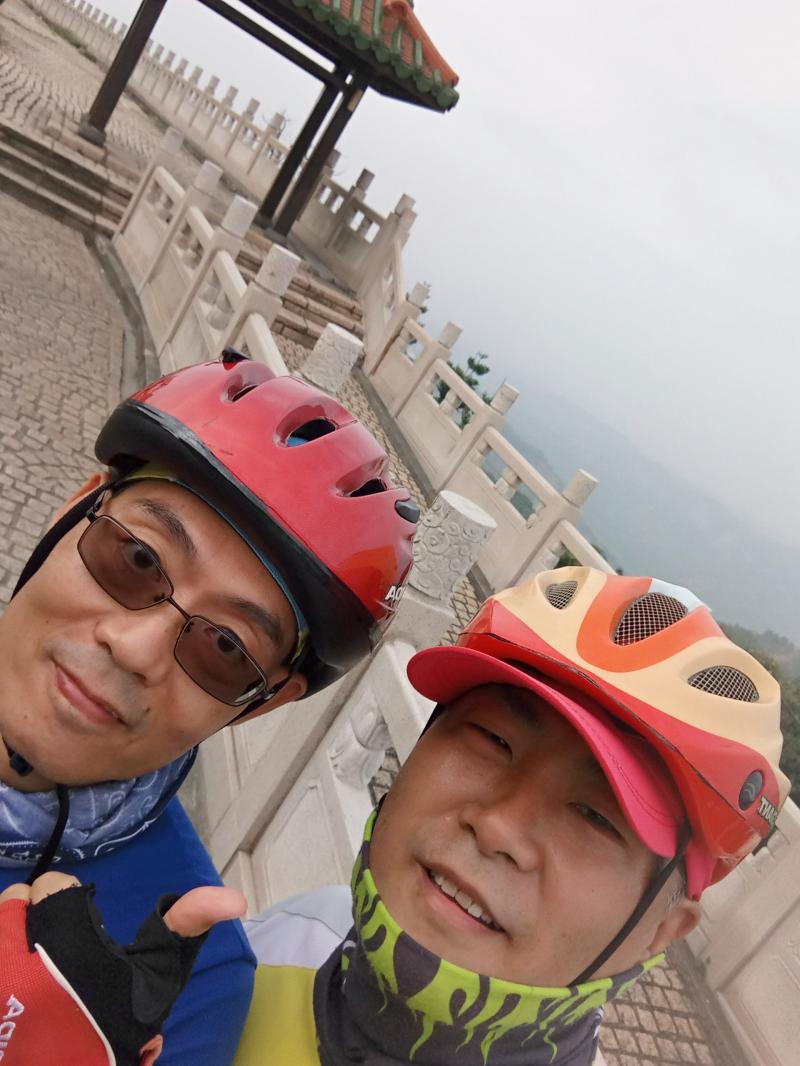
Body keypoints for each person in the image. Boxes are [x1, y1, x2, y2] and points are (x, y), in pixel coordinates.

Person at [0, 350, 419, 1064]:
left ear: (261, 705)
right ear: (74, 512)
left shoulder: (184, 977)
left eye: (225, 648)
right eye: (136, 558)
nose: (135, 648)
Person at [236, 567, 789, 1065]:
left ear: (661, 931)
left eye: (595, 817)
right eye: (491, 738)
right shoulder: (284, 939)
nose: (497, 826)